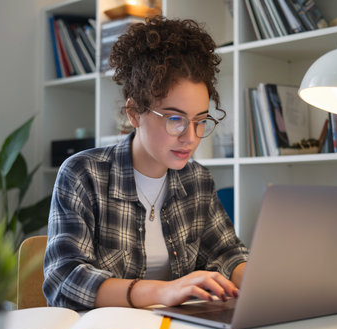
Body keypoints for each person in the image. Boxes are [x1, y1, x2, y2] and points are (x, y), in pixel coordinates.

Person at [43, 16, 249, 311]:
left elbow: (226, 253)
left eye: (200, 121)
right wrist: (163, 292)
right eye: (175, 119)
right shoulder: (83, 174)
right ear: (134, 113)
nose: (190, 137)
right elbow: (64, 280)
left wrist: (261, 278)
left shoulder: (197, 180)